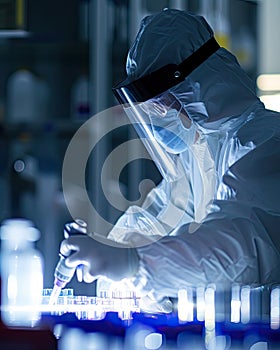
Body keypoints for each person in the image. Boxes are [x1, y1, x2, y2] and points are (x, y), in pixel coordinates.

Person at [60, 9, 280, 312]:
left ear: (200, 86)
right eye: (150, 109)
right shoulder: (195, 159)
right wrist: (110, 247)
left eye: (162, 105)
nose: (156, 119)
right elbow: (155, 220)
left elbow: (241, 246)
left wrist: (135, 264)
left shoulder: (265, 141)